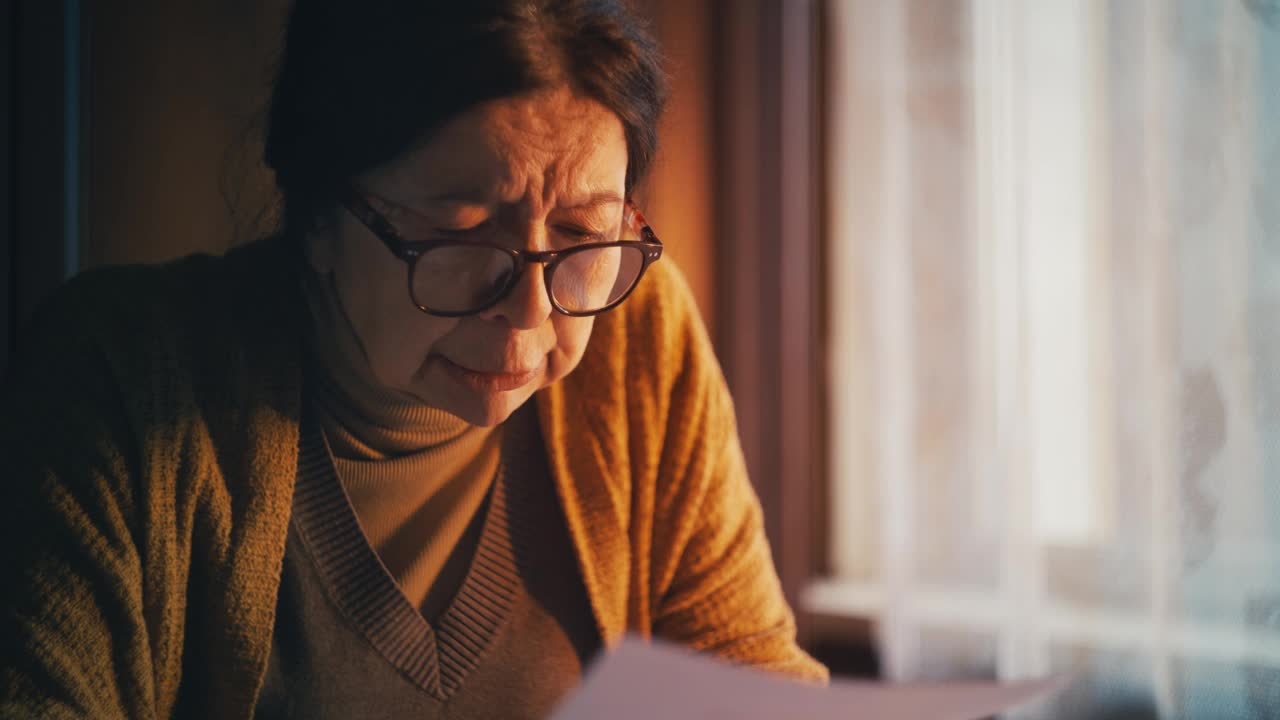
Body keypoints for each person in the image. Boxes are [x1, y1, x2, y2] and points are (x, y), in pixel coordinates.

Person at [0, 1, 827, 717]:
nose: (531, 312)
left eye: (581, 234)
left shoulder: (637, 335)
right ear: (320, 215)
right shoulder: (122, 375)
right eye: (463, 233)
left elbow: (745, 675)